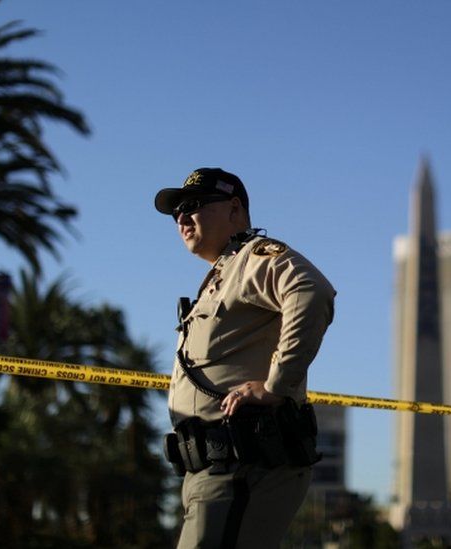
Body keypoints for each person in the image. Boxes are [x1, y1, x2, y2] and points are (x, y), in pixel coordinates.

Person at [155, 167, 335, 548]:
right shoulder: (224, 271)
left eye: (195, 206)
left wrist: (276, 386)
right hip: (213, 469)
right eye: (177, 213)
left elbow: (312, 290)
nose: (182, 218)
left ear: (235, 209)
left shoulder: (252, 258)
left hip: (243, 463)